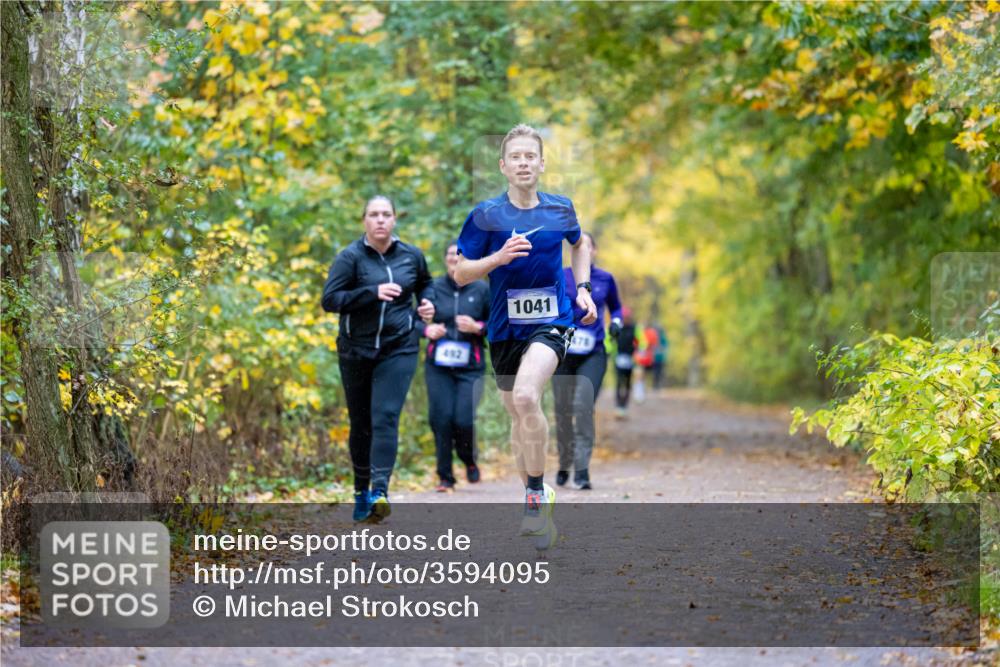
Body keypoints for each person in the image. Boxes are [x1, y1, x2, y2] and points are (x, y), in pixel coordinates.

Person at [453, 123, 596, 549]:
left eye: (530, 156)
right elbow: (460, 273)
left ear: (542, 163)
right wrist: (497, 257)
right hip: (503, 329)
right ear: (503, 166)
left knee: (526, 398)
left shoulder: (560, 209)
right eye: (515, 156)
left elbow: (581, 244)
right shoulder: (485, 216)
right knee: (519, 419)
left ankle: (535, 498)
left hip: (552, 322)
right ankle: (537, 498)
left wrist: (583, 290)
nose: (523, 163)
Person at [321, 195, 435, 523]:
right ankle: (360, 490)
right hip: (355, 350)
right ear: (364, 221)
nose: (381, 220)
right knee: (361, 423)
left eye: (386, 214)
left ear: (395, 219)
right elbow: (330, 300)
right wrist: (370, 292)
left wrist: (427, 305)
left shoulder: (412, 255)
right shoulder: (350, 258)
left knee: (385, 416)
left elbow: (425, 285)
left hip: (398, 347)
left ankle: (380, 490)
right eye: (374, 215)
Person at [553, 232, 622, 490]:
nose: (582, 250)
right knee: (562, 411)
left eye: (586, 246)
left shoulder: (605, 278)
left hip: (593, 353)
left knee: (582, 408)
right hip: (561, 353)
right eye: (577, 246)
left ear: (593, 251)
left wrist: (616, 322)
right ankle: (564, 461)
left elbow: (616, 308)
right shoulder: (560, 275)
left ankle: (581, 471)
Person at [422, 242, 490, 492]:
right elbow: (414, 319)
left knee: (463, 419)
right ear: (445, 260)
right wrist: (428, 329)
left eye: (459, 254)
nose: (454, 258)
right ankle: (445, 476)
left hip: (470, 367)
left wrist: (477, 327)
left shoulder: (482, 289)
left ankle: (469, 459)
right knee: (441, 419)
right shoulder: (432, 288)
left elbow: (495, 325)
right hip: (437, 365)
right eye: (450, 254)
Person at [614, 307, 638, 419]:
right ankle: (619, 406)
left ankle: (625, 406)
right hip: (619, 358)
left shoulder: (635, 328)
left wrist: (638, 352)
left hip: (630, 359)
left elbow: (642, 342)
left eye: (627, 317)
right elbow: (610, 341)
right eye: (624, 317)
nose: (626, 319)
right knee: (619, 382)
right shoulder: (617, 328)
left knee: (628, 383)